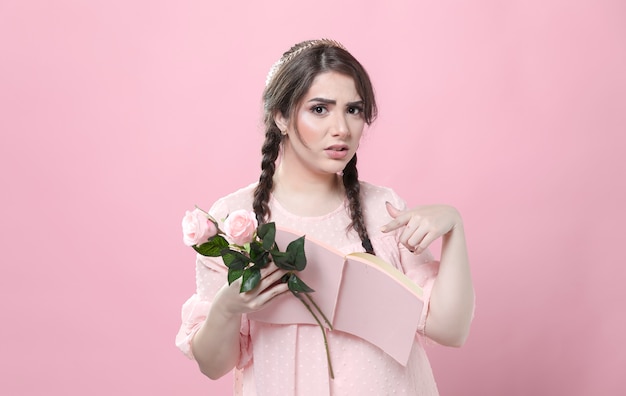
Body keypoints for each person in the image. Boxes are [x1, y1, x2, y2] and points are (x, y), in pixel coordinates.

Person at [176, 39, 475, 395]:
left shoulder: (384, 209)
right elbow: (214, 366)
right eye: (320, 109)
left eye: (353, 110)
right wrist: (226, 309)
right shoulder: (235, 221)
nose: (342, 129)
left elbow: (449, 329)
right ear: (281, 116)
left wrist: (454, 227)